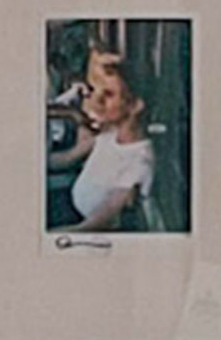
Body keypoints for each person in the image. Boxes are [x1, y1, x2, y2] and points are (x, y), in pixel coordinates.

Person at [47, 48, 158, 233]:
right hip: (66, 204)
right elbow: (65, 158)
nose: (96, 100)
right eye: (95, 90)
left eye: (109, 94)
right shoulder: (109, 135)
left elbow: (97, 223)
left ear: (135, 105)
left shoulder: (138, 163)